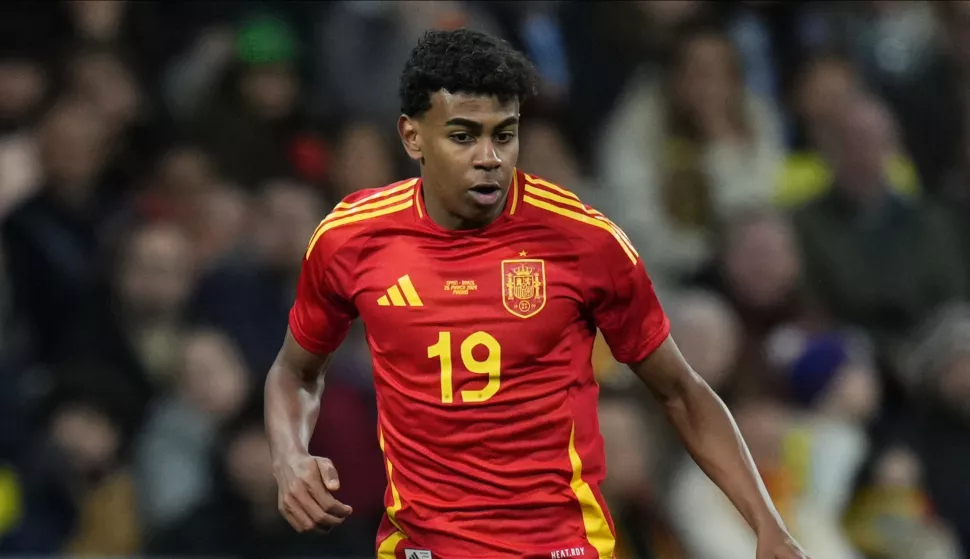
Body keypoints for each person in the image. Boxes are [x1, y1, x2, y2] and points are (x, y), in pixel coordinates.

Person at [264, 28, 809, 559]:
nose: (489, 157)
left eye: (504, 134)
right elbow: (295, 372)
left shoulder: (585, 241)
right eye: (463, 135)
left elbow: (682, 392)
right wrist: (290, 455)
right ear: (411, 137)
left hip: (558, 547)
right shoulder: (351, 238)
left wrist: (768, 525)